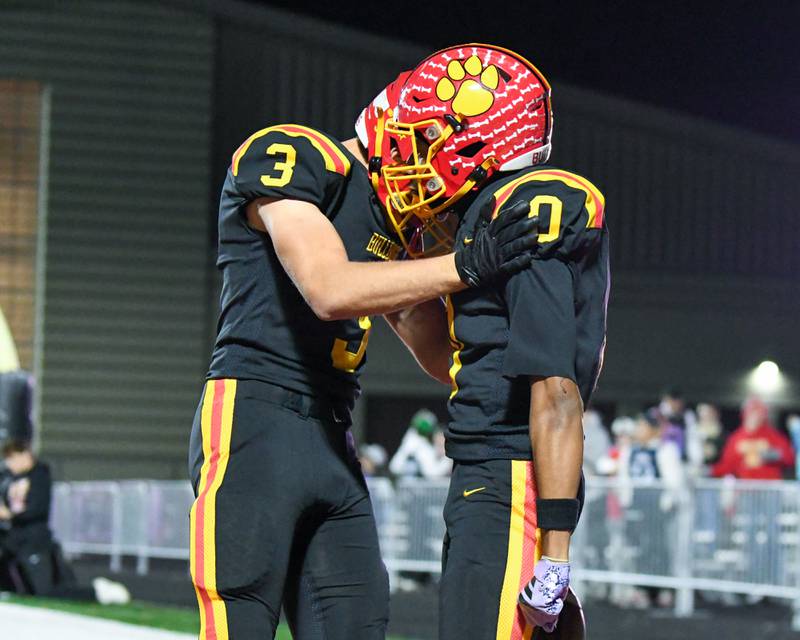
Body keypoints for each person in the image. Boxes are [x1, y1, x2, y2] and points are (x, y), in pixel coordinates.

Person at [189, 43, 551, 640]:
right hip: (253, 415)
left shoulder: (395, 225)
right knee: (239, 621)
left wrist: (543, 331)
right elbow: (329, 289)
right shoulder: (297, 153)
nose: (446, 191)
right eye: (451, 166)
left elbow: (442, 358)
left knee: (356, 621)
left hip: (333, 432)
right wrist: (465, 265)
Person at [391, 50, 609, 637]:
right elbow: (456, 362)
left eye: (436, 132)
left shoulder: (533, 202)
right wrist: (394, 288)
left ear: (487, 133)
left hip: (513, 472)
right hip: (486, 469)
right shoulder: (481, 216)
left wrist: (556, 554)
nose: (422, 149)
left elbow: (556, 390)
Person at [0, 441, 129, 604]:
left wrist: (8, 515)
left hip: (34, 542)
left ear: (25, 455)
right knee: (22, 589)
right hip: (14, 542)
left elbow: (36, 510)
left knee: (45, 591)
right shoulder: (9, 478)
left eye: (13, 458)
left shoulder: (39, 476)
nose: (10, 464)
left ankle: (99, 593)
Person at [711, 397, 794, 480]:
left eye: (758, 413)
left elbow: (788, 457)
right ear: (744, 414)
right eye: (752, 412)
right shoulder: (736, 438)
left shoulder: (773, 436)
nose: (755, 416)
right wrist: (709, 470)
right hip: (744, 487)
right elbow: (726, 466)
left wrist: (765, 455)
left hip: (769, 487)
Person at [389, 409, 452, 479]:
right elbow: (432, 474)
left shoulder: (411, 440)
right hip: (412, 486)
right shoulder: (418, 444)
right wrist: (447, 459)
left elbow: (393, 468)